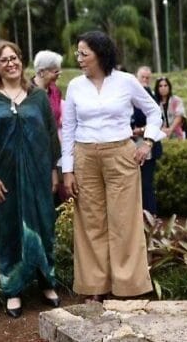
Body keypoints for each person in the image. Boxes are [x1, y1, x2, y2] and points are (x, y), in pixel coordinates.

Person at [61, 30, 163, 301]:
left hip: (121, 153)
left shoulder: (125, 82)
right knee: (90, 222)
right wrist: (67, 170)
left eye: (84, 53)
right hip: (84, 156)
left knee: (124, 221)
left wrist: (148, 142)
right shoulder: (74, 86)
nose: (79, 58)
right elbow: (68, 128)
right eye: (78, 53)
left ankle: (128, 287)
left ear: (100, 54)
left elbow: (155, 111)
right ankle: (95, 287)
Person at [0, 41, 60, 319]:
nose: (11, 63)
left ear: (22, 61)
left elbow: (50, 135)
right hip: (3, 179)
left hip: (37, 176)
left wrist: (54, 171)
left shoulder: (38, 97)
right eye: (3, 60)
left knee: (43, 226)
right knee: (7, 229)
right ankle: (13, 290)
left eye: (15, 58)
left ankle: (47, 281)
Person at [130, 65, 163, 214]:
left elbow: (156, 119)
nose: (144, 80)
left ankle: (150, 217)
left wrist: (141, 130)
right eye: (142, 77)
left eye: (147, 78)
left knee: (146, 184)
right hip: (130, 143)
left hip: (146, 143)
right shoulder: (130, 93)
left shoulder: (150, 94)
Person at [32, 50, 64, 131]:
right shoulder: (26, 92)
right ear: (42, 72)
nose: (59, 76)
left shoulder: (56, 91)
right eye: (56, 72)